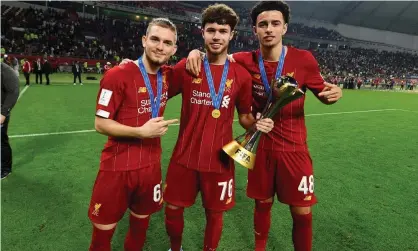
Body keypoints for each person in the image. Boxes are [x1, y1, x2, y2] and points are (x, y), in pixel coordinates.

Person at [186, 1, 343, 250]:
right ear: (255, 30)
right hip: (260, 148)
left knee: (302, 211)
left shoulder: (304, 59)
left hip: (294, 150)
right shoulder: (243, 60)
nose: (269, 29)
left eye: (275, 24)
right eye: (263, 24)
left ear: (284, 28)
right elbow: (215, 54)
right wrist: (196, 52)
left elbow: (323, 93)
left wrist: (332, 95)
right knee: (262, 204)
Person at [163, 4, 274, 251]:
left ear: (231, 34)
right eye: (211, 30)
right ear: (202, 32)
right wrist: (131, 65)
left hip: (220, 160)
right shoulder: (186, 67)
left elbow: (244, 116)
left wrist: (257, 124)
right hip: (184, 156)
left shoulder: (241, 76)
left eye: (223, 31)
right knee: (172, 209)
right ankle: (175, 247)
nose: (216, 36)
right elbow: (157, 88)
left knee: (215, 214)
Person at [87, 18, 178, 251]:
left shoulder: (169, 76)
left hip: (150, 168)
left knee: (140, 229)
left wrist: (198, 52)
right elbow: (100, 123)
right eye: (155, 39)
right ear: (144, 40)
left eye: (168, 43)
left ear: (174, 49)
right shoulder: (117, 75)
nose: (160, 46)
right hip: (117, 168)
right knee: (102, 236)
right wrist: (140, 132)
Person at [1, 62, 20, 179]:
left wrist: (3, 113)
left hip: (0, 110)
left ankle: (5, 169)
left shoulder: (5, 71)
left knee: (1, 141)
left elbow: (13, 91)